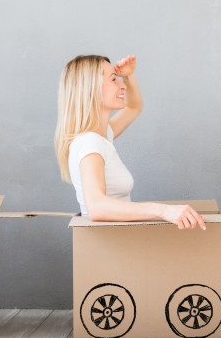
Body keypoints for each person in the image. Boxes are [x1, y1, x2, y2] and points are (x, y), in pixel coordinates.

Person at [54, 55, 206, 230]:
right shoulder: (90, 144)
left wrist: (129, 75)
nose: (122, 86)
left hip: (118, 244)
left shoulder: (102, 135)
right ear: (90, 88)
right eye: (113, 80)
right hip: (108, 249)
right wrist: (163, 211)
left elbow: (134, 107)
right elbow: (96, 207)